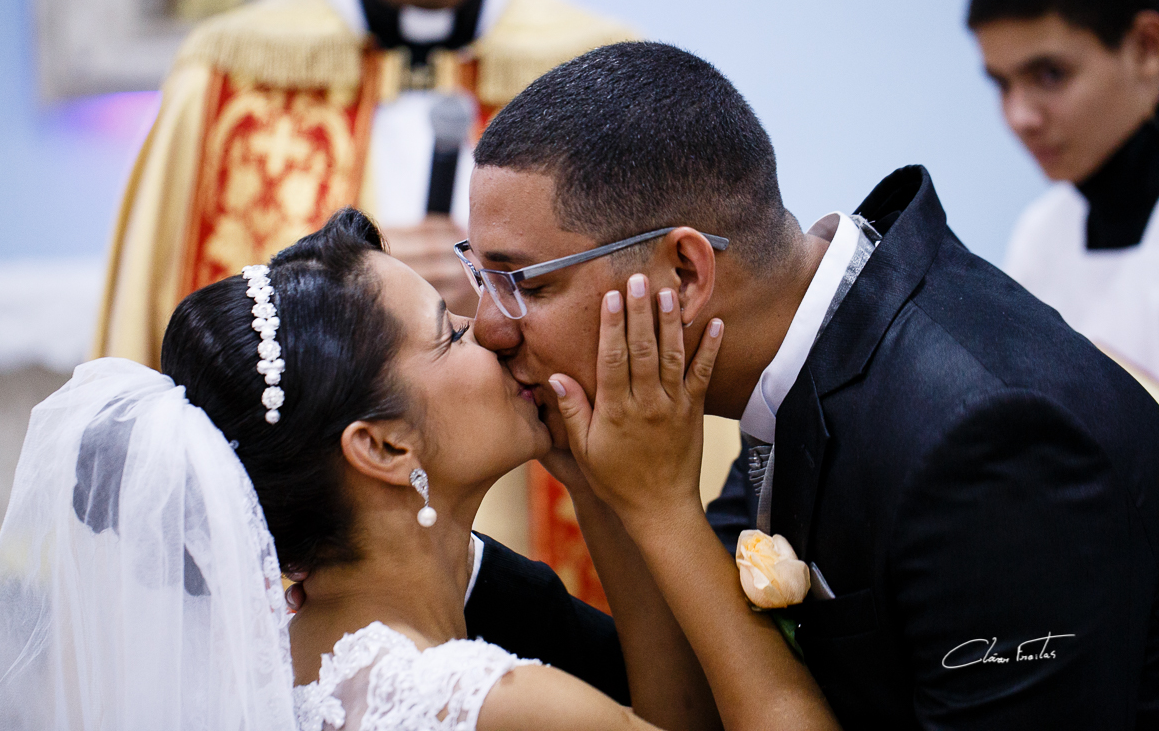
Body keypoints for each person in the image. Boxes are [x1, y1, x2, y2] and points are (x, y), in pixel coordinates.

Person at [460, 41, 1159, 728]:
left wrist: (658, 505)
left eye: (525, 284)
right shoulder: (804, 354)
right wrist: (604, 489)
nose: (490, 327)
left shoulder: (986, 443)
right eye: (480, 278)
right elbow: (696, 708)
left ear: (685, 274)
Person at [0, 209, 731, 730]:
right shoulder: (496, 704)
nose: (493, 331)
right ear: (384, 448)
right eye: (449, 333)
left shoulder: (281, 677)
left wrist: (598, 491)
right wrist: (655, 498)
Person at [94, 0, 635, 367]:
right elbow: (167, 323)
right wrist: (344, 289)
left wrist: (500, 294)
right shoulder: (224, 78)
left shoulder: (598, 73)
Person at [968, 0, 1159, 393]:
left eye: (1050, 74)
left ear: (1147, 47)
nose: (1019, 118)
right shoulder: (1041, 234)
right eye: (1002, 84)